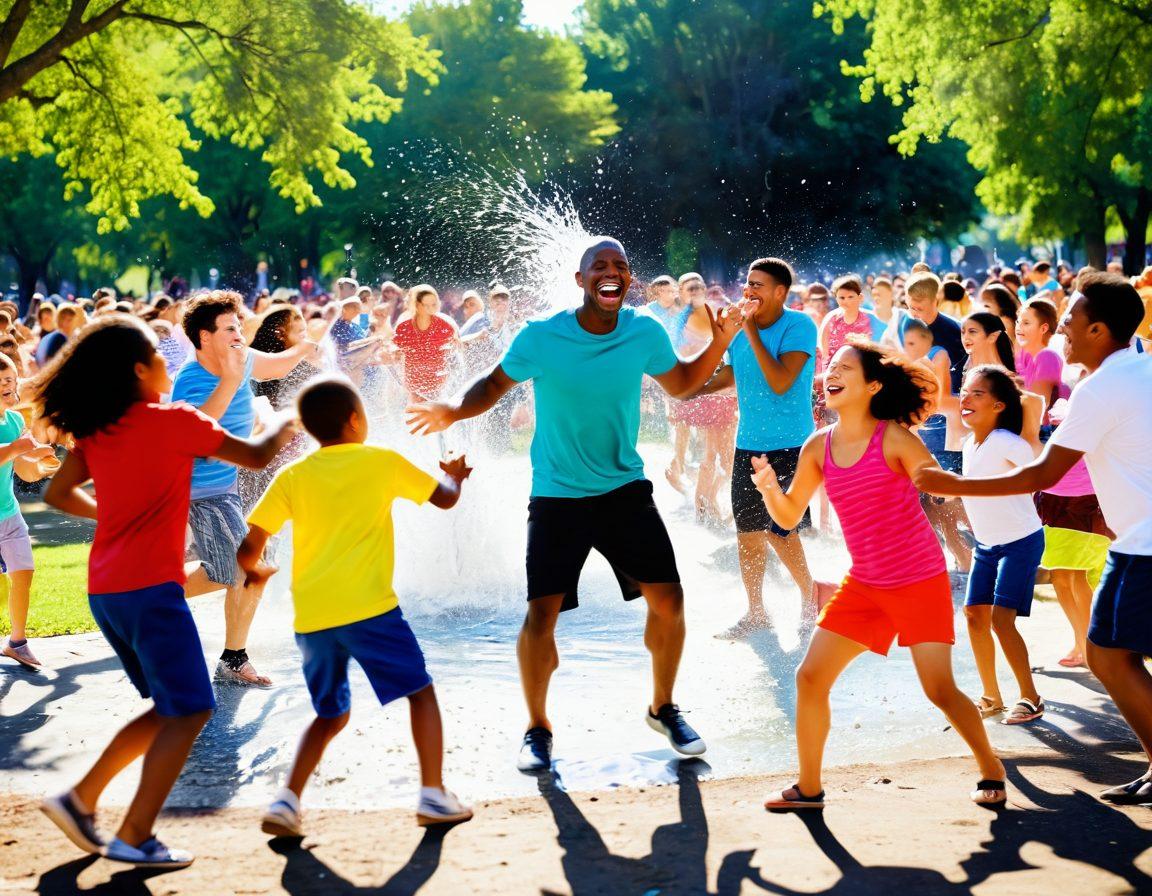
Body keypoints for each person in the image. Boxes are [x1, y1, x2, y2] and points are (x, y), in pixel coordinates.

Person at [406, 237, 747, 771]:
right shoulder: (542, 335)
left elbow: (681, 384)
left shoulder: (644, 331)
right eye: (600, 267)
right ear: (580, 278)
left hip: (623, 491)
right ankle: (537, 728)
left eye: (620, 267)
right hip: (558, 495)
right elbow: (494, 385)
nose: (611, 273)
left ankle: (663, 706)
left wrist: (721, 340)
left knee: (671, 603)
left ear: (629, 279)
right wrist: (452, 409)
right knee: (541, 616)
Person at [33, 315, 296, 868]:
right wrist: (291, 415)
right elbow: (255, 455)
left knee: (172, 707)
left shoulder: (99, 428)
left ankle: (81, 801)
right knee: (191, 707)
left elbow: (57, 492)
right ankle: (133, 833)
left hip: (107, 593)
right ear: (137, 370)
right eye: (158, 352)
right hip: (152, 591)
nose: (166, 361)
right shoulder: (174, 420)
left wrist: (110, 517)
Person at [914, 272, 1152, 805]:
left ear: (1098, 329)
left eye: (1071, 318)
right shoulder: (1142, 369)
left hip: (1143, 546)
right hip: (1137, 540)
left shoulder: (1100, 387)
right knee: (1111, 653)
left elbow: (1041, 474)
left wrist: (954, 483)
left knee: (1108, 657)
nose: (1062, 325)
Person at [753, 340, 1007, 809]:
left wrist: (978, 488)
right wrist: (770, 489)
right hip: (866, 584)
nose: (831, 371)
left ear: (872, 385)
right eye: (830, 366)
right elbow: (788, 517)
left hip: (918, 581)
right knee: (810, 678)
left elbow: (934, 482)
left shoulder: (892, 438)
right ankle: (809, 788)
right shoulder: (818, 446)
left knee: (939, 690)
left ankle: (992, 766)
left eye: (844, 367)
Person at [239, 377, 475, 836]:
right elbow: (444, 500)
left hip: (313, 618)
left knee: (330, 714)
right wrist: (454, 476)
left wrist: (257, 571)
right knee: (420, 693)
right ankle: (432, 794)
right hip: (371, 611)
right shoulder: (380, 461)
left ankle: (287, 801)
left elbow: (250, 546)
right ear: (354, 420)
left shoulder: (294, 476)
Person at [171, 291, 319, 687]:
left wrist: (305, 347)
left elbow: (275, 367)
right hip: (194, 491)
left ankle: (153, 600)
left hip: (225, 487)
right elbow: (194, 434)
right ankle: (230, 656)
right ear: (204, 337)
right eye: (229, 328)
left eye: (239, 326)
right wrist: (234, 379)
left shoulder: (242, 358)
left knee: (236, 569)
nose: (239, 334)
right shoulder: (190, 378)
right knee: (245, 567)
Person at [692, 258, 826, 638]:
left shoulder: (800, 325)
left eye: (759, 285)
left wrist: (749, 331)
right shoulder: (738, 330)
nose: (749, 290)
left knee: (780, 530)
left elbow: (781, 380)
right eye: (747, 283)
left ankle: (809, 594)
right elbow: (731, 374)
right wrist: (691, 386)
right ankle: (755, 612)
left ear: (781, 292)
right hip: (748, 443)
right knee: (748, 531)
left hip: (791, 444)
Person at [955, 366, 1045, 723]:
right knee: (975, 616)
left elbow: (1039, 471)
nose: (966, 398)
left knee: (1002, 620)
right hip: (986, 545)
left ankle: (1031, 697)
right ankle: (991, 696)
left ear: (999, 405)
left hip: (1020, 541)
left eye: (978, 394)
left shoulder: (1009, 443)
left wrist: (1034, 423)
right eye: (965, 391)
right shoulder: (968, 442)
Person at [0, 354, 57, 669]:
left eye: (10, 380)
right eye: (1, 383)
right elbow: (11, 453)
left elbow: (21, 469)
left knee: (24, 573)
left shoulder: (15, 421)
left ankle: (17, 643)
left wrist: (41, 462)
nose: (8, 387)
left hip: (8, 513)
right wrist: (16, 449)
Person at [671, 273, 738, 524]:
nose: (696, 291)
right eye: (691, 288)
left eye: (699, 286)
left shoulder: (712, 311)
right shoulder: (683, 321)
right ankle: (707, 506)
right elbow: (682, 357)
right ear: (682, 292)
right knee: (716, 453)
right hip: (709, 393)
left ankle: (708, 504)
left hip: (722, 392)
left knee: (721, 453)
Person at [392, 285, 459, 401]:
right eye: (426, 305)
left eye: (433, 304)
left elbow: (456, 353)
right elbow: (395, 356)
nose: (430, 308)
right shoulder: (404, 328)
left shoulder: (445, 326)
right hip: (412, 389)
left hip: (438, 388)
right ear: (416, 305)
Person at [818, 275, 880, 367]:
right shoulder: (831, 319)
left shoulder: (871, 318)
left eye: (850, 297)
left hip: (864, 369)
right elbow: (823, 353)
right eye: (842, 298)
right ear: (836, 299)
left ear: (860, 297)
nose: (846, 301)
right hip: (834, 370)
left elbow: (879, 348)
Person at [902, 317, 952, 395]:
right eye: (904, 344)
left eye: (911, 343)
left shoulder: (939, 354)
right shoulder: (904, 360)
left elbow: (942, 394)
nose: (907, 349)